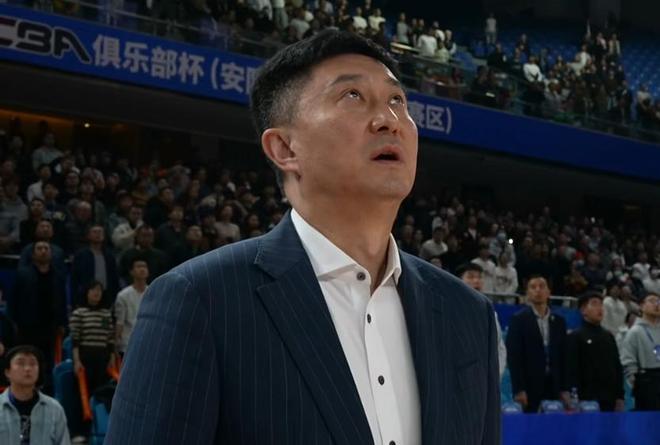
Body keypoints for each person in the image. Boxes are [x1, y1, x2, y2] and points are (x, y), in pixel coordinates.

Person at [106, 30, 500, 444]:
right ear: (284, 148)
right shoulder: (201, 300)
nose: (389, 119)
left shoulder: (467, 314)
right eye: (353, 96)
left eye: (397, 100)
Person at [9, 241, 67, 394]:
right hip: (27, 327)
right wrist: (14, 323)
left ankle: (45, 393)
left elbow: (62, 300)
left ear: (51, 253)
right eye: (39, 248)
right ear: (33, 254)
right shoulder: (23, 274)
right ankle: (23, 390)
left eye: (46, 248)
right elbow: (13, 300)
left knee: (46, 363)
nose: (43, 251)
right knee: (26, 359)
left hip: (50, 327)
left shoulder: (58, 275)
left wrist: (62, 323)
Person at [506, 275, 570, 413]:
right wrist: (519, 389)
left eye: (542, 286)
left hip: (554, 385)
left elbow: (564, 356)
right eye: (533, 287)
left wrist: (565, 388)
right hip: (529, 386)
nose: (538, 290)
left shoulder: (559, 321)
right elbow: (514, 357)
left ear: (549, 292)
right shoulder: (518, 320)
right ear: (527, 293)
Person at [0, 345, 71, 444]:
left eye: (33, 364)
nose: (27, 368)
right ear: (7, 372)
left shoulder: (54, 409)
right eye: (21, 363)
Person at [567, 292, 624, 411]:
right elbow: (571, 369)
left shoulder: (608, 336)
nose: (599, 308)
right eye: (594, 304)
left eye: (601, 304)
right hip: (586, 398)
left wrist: (620, 396)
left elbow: (617, 367)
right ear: (583, 310)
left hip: (609, 398)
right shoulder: (576, 336)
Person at [457, 262, 507, 379]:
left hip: (484, 379)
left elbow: (499, 348)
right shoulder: (450, 310)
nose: (476, 281)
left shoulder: (490, 313)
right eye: (471, 277)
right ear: (458, 281)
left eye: (479, 277)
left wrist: (495, 376)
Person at [70, 281, 115, 394]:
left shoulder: (106, 314)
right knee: (85, 392)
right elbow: (75, 341)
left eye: (99, 290)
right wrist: (77, 361)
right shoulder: (78, 313)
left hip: (102, 357)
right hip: (85, 357)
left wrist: (112, 358)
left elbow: (110, 339)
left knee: (102, 391)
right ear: (87, 292)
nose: (97, 292)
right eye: (93, 289)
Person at [620, 293, 660, 411]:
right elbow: (628, 361)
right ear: (642, 306)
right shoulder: (635, 332)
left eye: (658, 301)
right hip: (647, 382)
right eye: (652, 301)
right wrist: (636, 384)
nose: (656, 304)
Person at [71, 224, 120, 307]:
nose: (98, 234)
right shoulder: (81, 255)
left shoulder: (109, 256)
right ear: (88, 235)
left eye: (100, 232)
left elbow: (114, 278)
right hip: (86, 296)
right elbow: (75, 279)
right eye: (95, 232)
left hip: (106, 295)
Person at [114, 258, 149, 357]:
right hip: (128, 343)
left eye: (144, 267)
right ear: (131, 272)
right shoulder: (123, 295)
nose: (142, 269)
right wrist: (116, 343)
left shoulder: (153, 292)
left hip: (148, 341)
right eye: (138, 266)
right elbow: (120, 322)